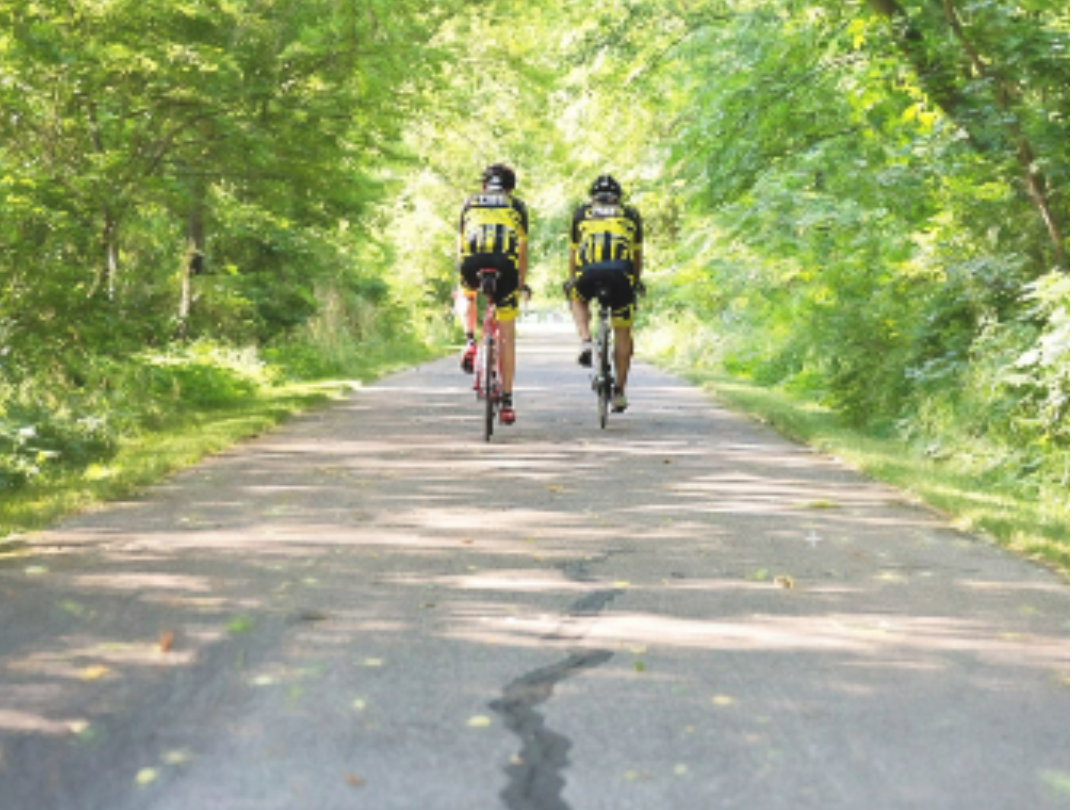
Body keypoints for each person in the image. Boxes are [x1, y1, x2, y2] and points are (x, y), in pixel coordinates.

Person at [457, 164, 530, 425]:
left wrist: (463, 273)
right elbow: (521, 249)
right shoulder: (517, 206)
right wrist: (521, 282)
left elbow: (461, 243)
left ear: (485, 185)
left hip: (473, 262)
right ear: (510, 187)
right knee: (507, 337)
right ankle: (507, 401)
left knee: (466, 295)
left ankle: (469, 340)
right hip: (505, 266)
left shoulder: (469, 202)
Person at [568, 175, 644, 413]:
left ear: (593, 198)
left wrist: (572, 281)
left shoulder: (582, 214)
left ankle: (585, 341)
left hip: (589, 274)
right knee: (623, 331)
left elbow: (573, 254)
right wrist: (636, 282)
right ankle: (620, 392)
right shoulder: (630, 215)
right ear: (617, 198)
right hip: (621, 276)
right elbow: (636, 258)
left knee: (578, 298)